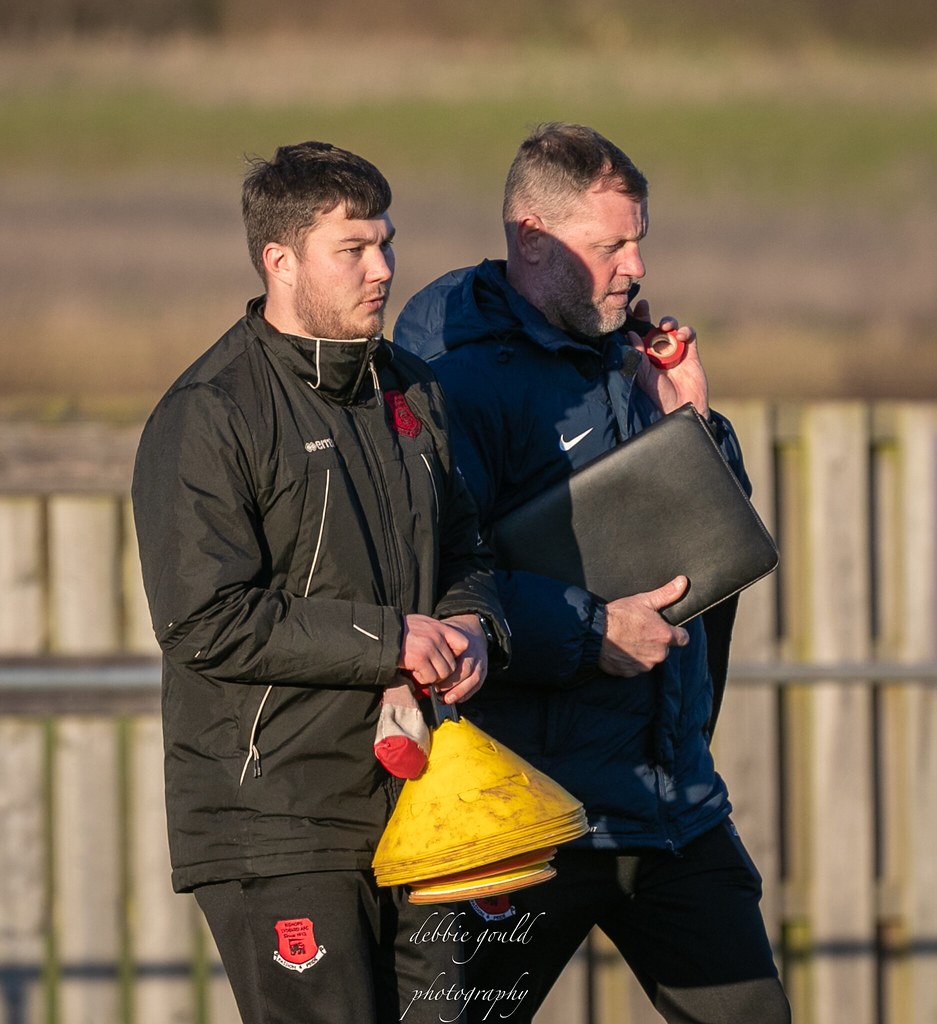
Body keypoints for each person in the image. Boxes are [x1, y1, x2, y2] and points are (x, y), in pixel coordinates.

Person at [395, 123, 791, 1024]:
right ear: (532, 237)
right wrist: (588, 629)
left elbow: (706, 545)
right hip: (526, 816)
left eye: (638, 239)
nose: (635, 264)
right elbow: (438, 582)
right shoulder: (459, 387)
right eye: (610, 243)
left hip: (672, 806)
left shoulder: (627, 353)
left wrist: (697, 426)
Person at [131, 140, 510, 1024]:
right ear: (281, 260)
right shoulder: (209, 412)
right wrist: (391, 638)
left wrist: (471, 626)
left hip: (424, 802)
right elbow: (203, 620)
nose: (382, 270)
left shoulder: (414, 393)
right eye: (353, 250)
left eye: (386, 243)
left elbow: (471, 553)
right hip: (277, 817)